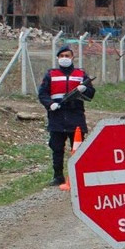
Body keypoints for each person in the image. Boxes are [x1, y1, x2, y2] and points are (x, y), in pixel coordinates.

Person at [38, 45, 96, 185]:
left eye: (67, 56)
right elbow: (42, 94)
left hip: (75, 116)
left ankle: (79, 177)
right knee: (57, 148)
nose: (64, 58)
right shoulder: (50, 74)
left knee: (78, 148)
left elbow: (91, 94)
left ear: (72, 57)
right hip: (57, 117)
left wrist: (84, 89)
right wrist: (50, 104)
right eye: (62, 56)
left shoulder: (80, 75)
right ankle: (58, 176)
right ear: (58, 58)